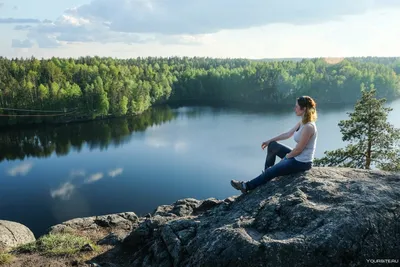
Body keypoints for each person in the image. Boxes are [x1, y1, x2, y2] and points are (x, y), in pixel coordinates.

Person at [231, 96, 318, 194]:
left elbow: (299, 150)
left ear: (304, 109)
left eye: (297, 106)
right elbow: (288, 134)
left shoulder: (309, 127)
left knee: (271, 170)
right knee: (273, 146)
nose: (295, 108)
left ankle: (245, 186)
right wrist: (270, 141)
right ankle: (267, 175)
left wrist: (286, 157)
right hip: (296, 157)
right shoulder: (302, 122)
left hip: (302, 162)